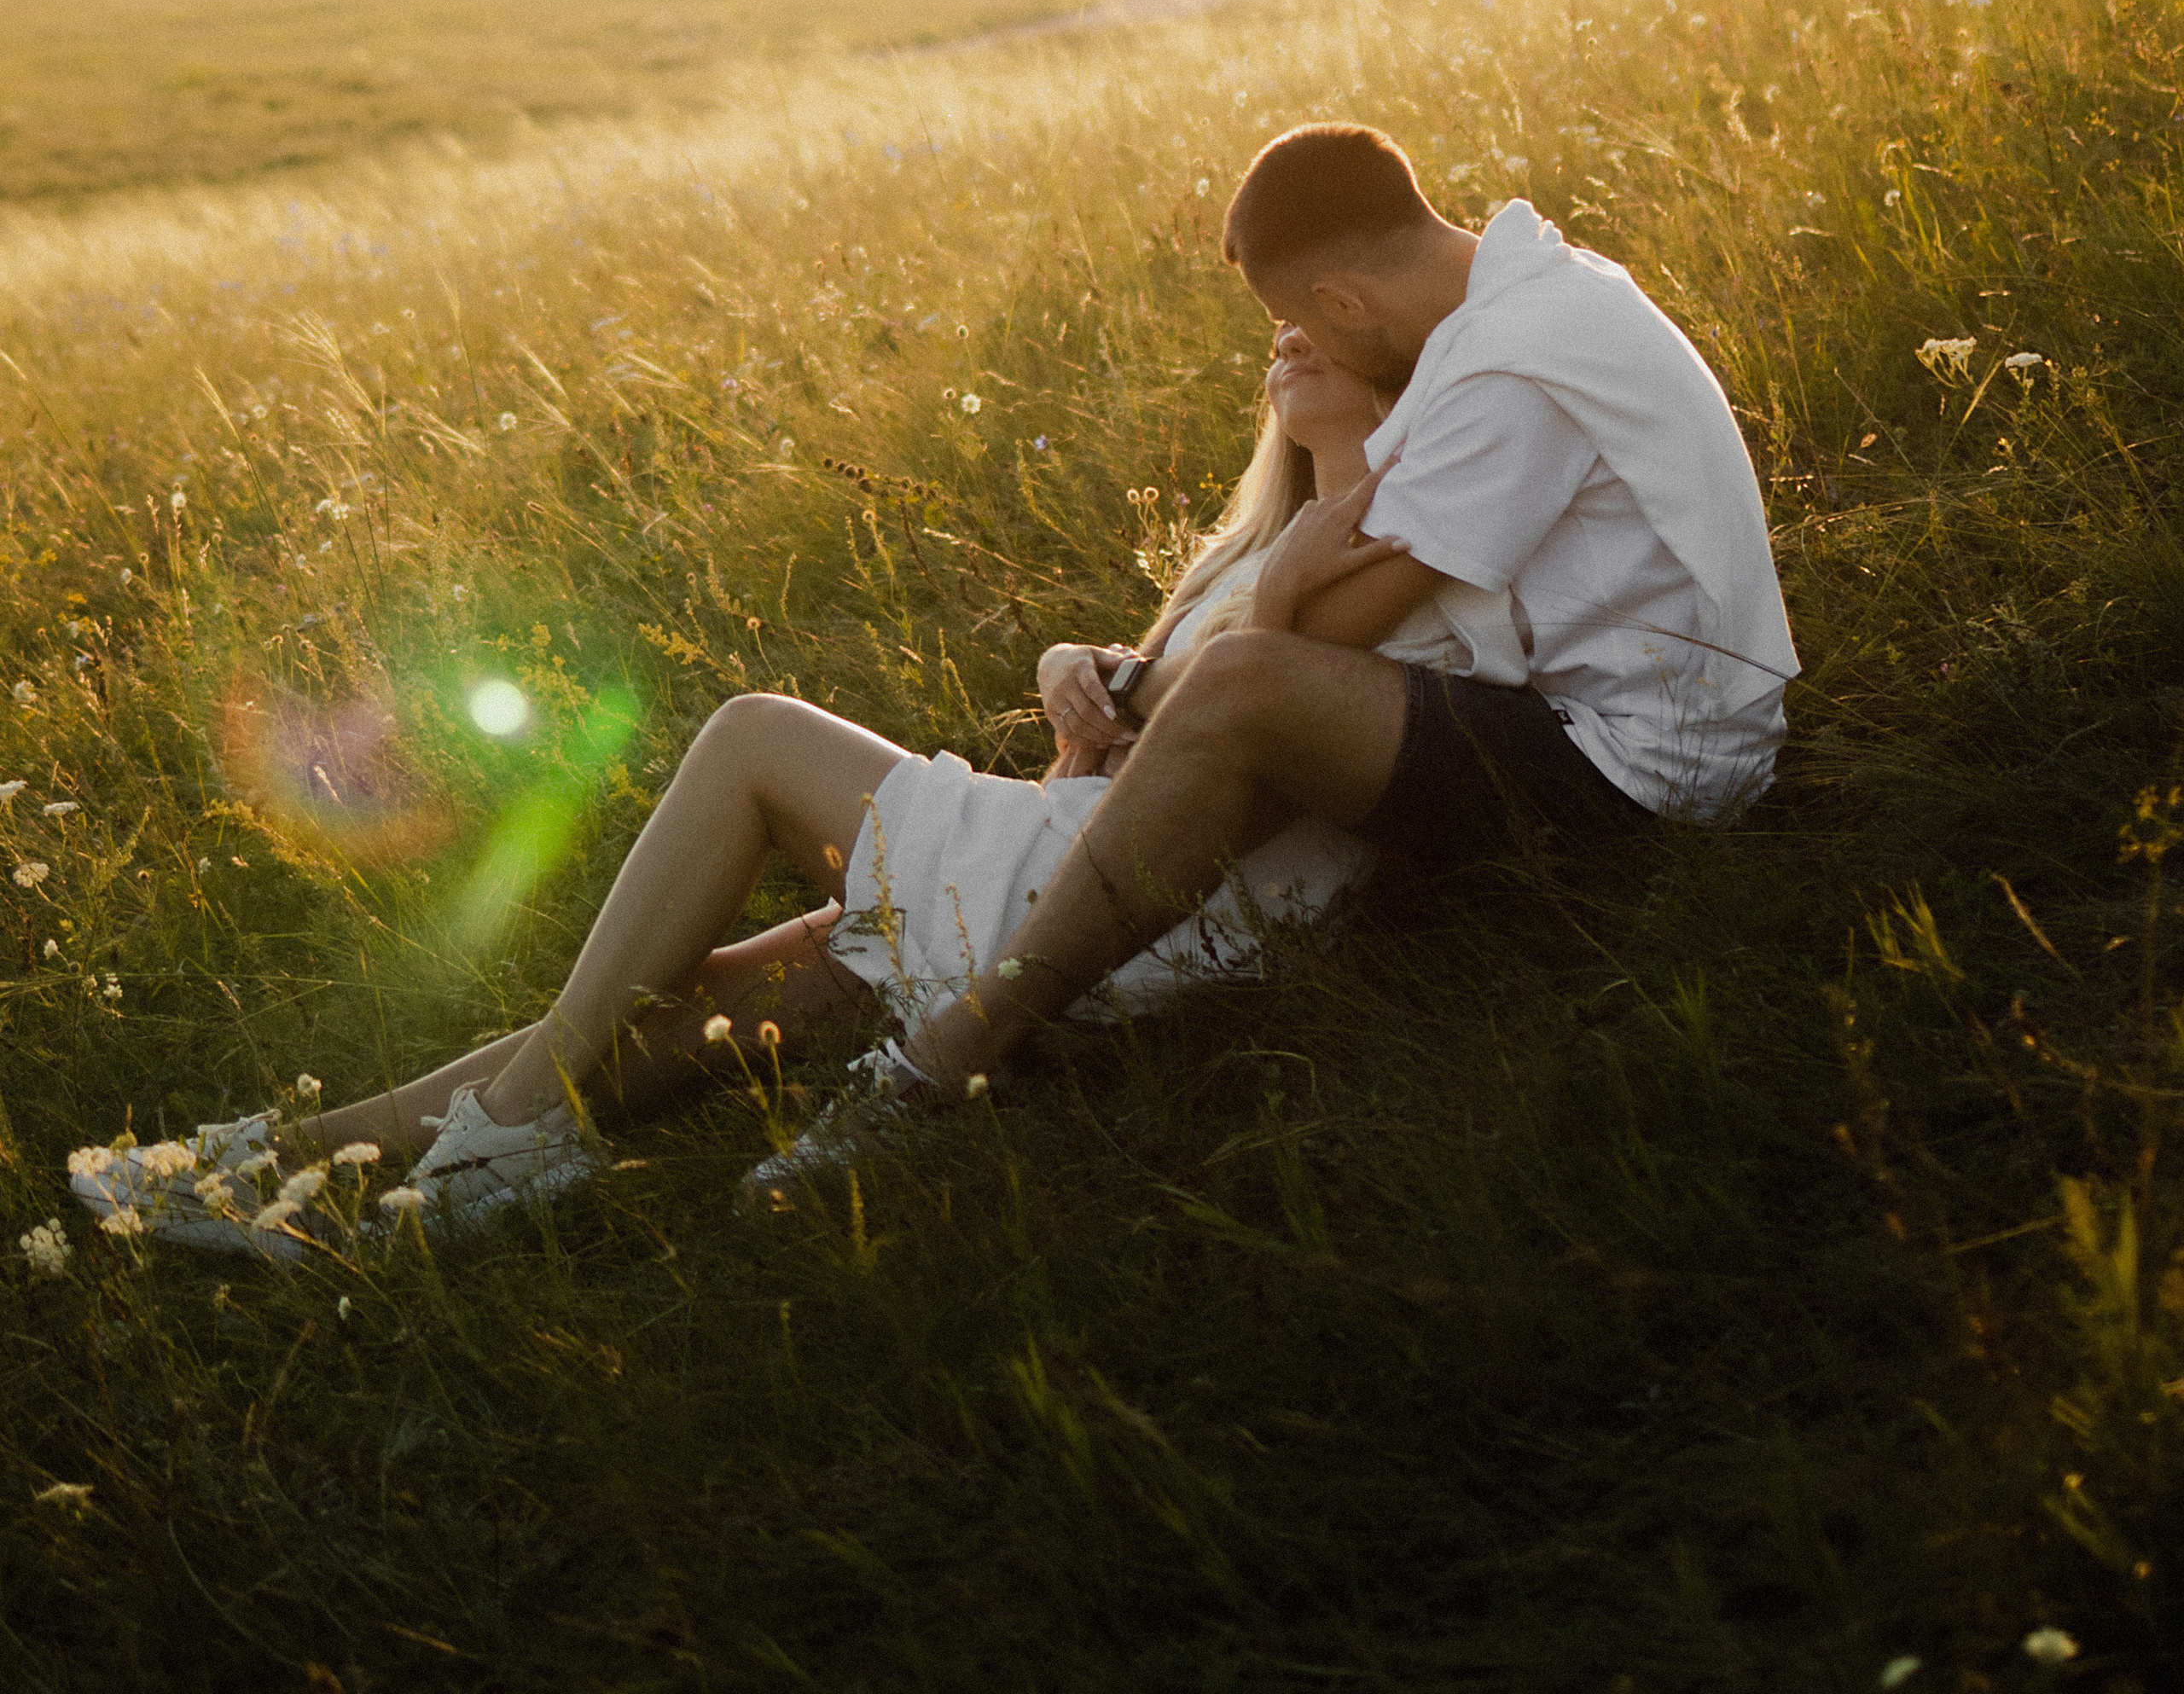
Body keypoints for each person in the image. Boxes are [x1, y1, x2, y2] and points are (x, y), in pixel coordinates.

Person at [67, 303, 1506, 1255]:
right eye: (1275, 324)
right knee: (685, 1001)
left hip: (1128, 926)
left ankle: (490, 1138)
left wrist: (1195, 652)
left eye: (1320, 322)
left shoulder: (1392, 542)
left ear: (1397, 366)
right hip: (1064, 865)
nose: (1285, 335)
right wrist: (1085, 684)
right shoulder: (1262, 542)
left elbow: (1251, 765)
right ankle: (285, 1167)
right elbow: (1124, 766)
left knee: (756, 734)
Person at [797, 119, 1801, 1163]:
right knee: (1244, 679)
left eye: (1298, 320)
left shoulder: (1508, 371)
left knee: (1244, 685)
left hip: (1643, 770)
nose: (1301, 343)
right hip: (1606, 724)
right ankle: (994, 975)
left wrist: (1173, 652)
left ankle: (954, 1050)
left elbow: (1323, 632)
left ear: (1343, 301)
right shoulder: (1544, 289)